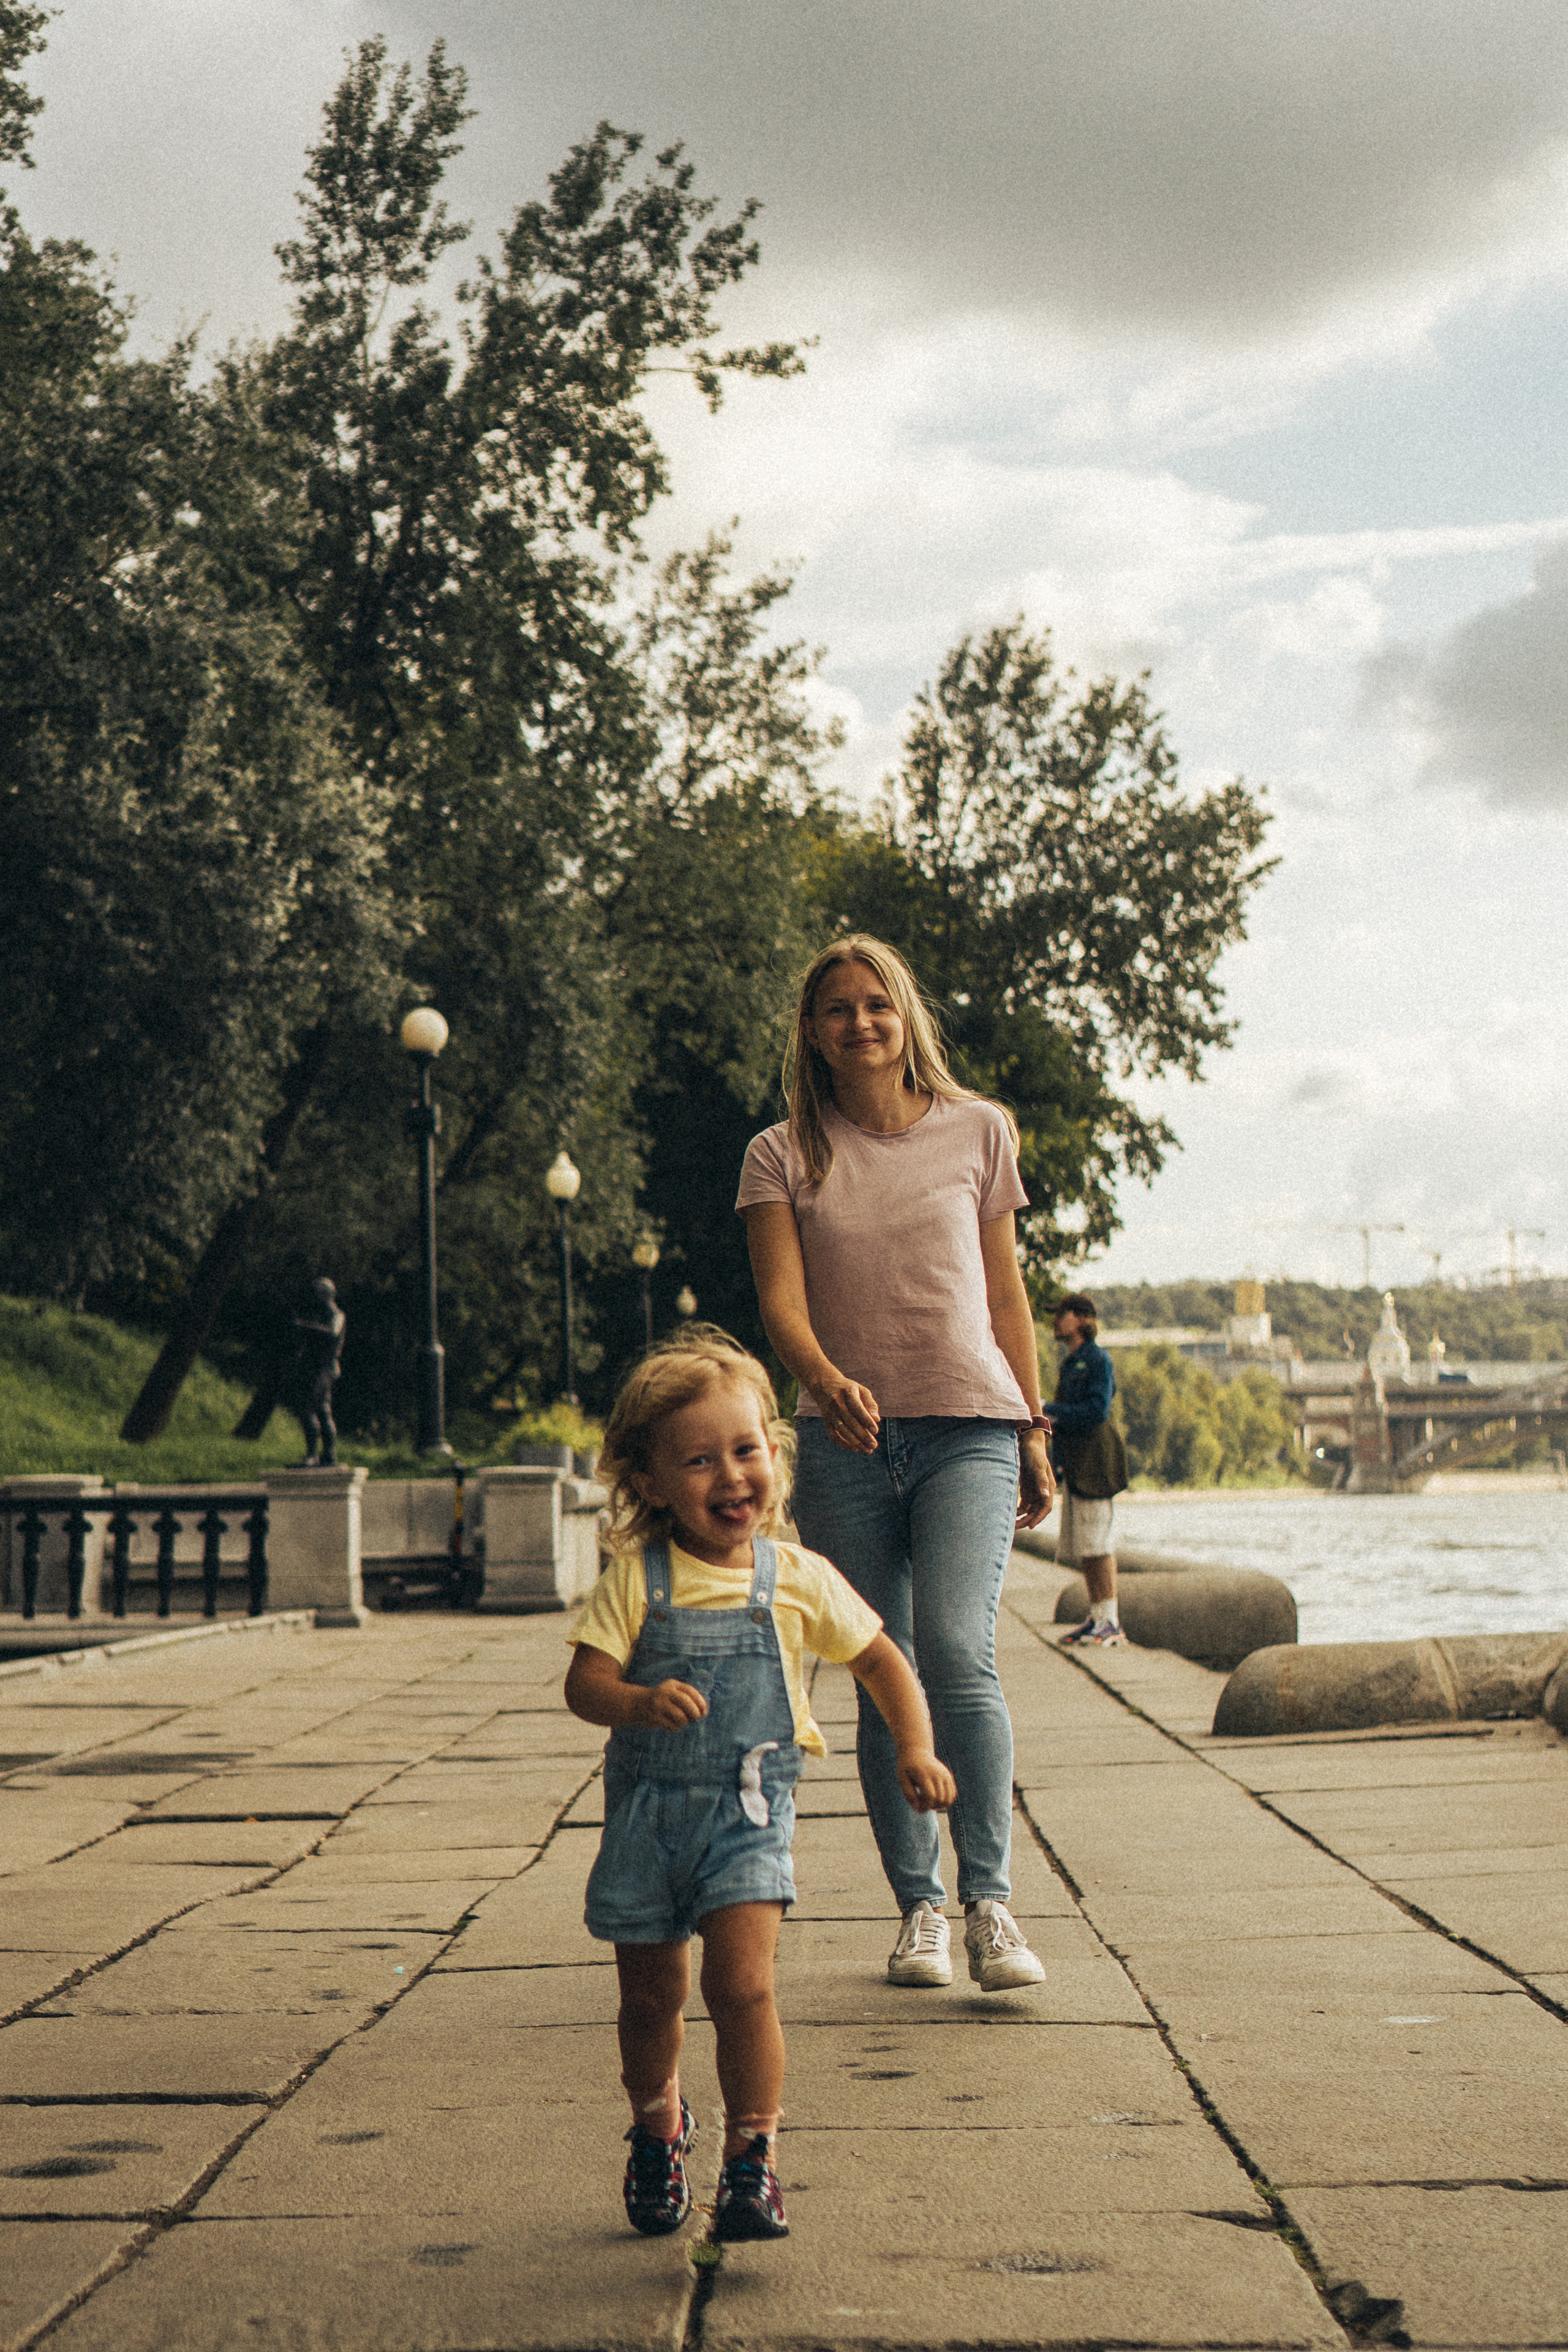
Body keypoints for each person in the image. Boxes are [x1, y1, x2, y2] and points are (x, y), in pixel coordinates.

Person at [565, 1327, 954, 2243]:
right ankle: (659, 2129)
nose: (730, 1477)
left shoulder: (798, 1579)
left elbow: (884, 1661)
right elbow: (584, 1685)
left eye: (746, 1451)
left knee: (743, 1988)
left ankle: (753, 2159)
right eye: (699, 1460)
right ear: (651, 1482)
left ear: (775, 1459)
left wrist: (915, 1749)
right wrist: (634, 1698)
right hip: (649, 1823)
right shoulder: (636, 1581)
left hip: (747, 1817)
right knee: (650, 1999)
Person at [738, 935, 1055, 1998]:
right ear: (812, 1032)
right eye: (839, 1009)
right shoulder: (783, 1154)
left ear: (906, 1016)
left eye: (879, 1005)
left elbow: (1005, 1295)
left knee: (959, 1653)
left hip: (972, 1424)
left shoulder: (980, 1131)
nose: (861, 1023)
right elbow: (781, 1303)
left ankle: (991, 1904)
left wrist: (1034, 1427)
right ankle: (919, 1910)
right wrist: (824, 1381)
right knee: (886, 1672)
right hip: (848, 1441)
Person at [1044, 1292, 1126, 1648]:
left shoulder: (1097, 1359)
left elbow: (1098, 1411)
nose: (1055, 1321)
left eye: (1061, 1315)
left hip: (1096, 1463)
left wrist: (1052, 1409)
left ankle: (1110, 1622)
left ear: (1080, 1319)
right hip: (1079, 1464)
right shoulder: (1073, 1361)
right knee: (1086, 1545)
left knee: (1098, 1543)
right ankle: (1097, 1616)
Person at [291, 1277, 345, 1468]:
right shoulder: (319, 1316)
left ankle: (314, 1454)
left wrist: (304, 1326)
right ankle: (328, 1455)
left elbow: (332, 1333)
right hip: (315, 1368)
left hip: (324, 1369)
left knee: (309, 1409)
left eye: (316, 1294)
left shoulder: (337, 1316)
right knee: (322, 1410)